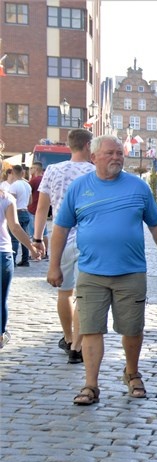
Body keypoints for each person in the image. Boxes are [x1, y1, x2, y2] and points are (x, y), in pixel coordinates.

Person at [47, 135, 157, 406]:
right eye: (110, 153)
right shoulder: (79, 188)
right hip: (91, 272)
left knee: (132, 328)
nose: (117, 157)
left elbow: (156, 224)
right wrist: (54, 265)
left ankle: (132, 373)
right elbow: (61, 228)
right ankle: (91, 385)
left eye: (120, 153)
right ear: (93, 157)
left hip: (130, 272)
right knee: (92, 329)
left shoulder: (138, 187)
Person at [34, 129, 96, 364]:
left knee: (64, 292)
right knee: (84, 295)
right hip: (88, 238)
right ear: (88, 145)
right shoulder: (94, 171)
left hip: (61, 237)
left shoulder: (53, 170)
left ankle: (69, 339)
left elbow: (42, 209)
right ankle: (78, 346)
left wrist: (38, 239)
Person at [1, 189, 39, 348]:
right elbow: (15, 227)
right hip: (2, 253)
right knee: (1, 299)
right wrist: (31, 247)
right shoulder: (6, 198)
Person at [5, 165, 33, 267]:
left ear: (12, 173)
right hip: (25, 211)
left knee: (14, 238)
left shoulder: (14, 186)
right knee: (24, 237)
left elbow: (11, 202)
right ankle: (25, 260)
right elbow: (30, 201)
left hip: (17, 212)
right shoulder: (28, 185)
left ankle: (13, 261)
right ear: (22, 173)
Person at [27, 162, 48, 251]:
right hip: (43, 209)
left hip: (33, 209)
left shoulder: (34, 180)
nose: (30, 170)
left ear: (36, 169)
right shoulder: (45, 179)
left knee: (34, 234)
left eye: (32, 168)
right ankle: (45, 252)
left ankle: (36, 252)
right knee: (44, 232)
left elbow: (27, 192)